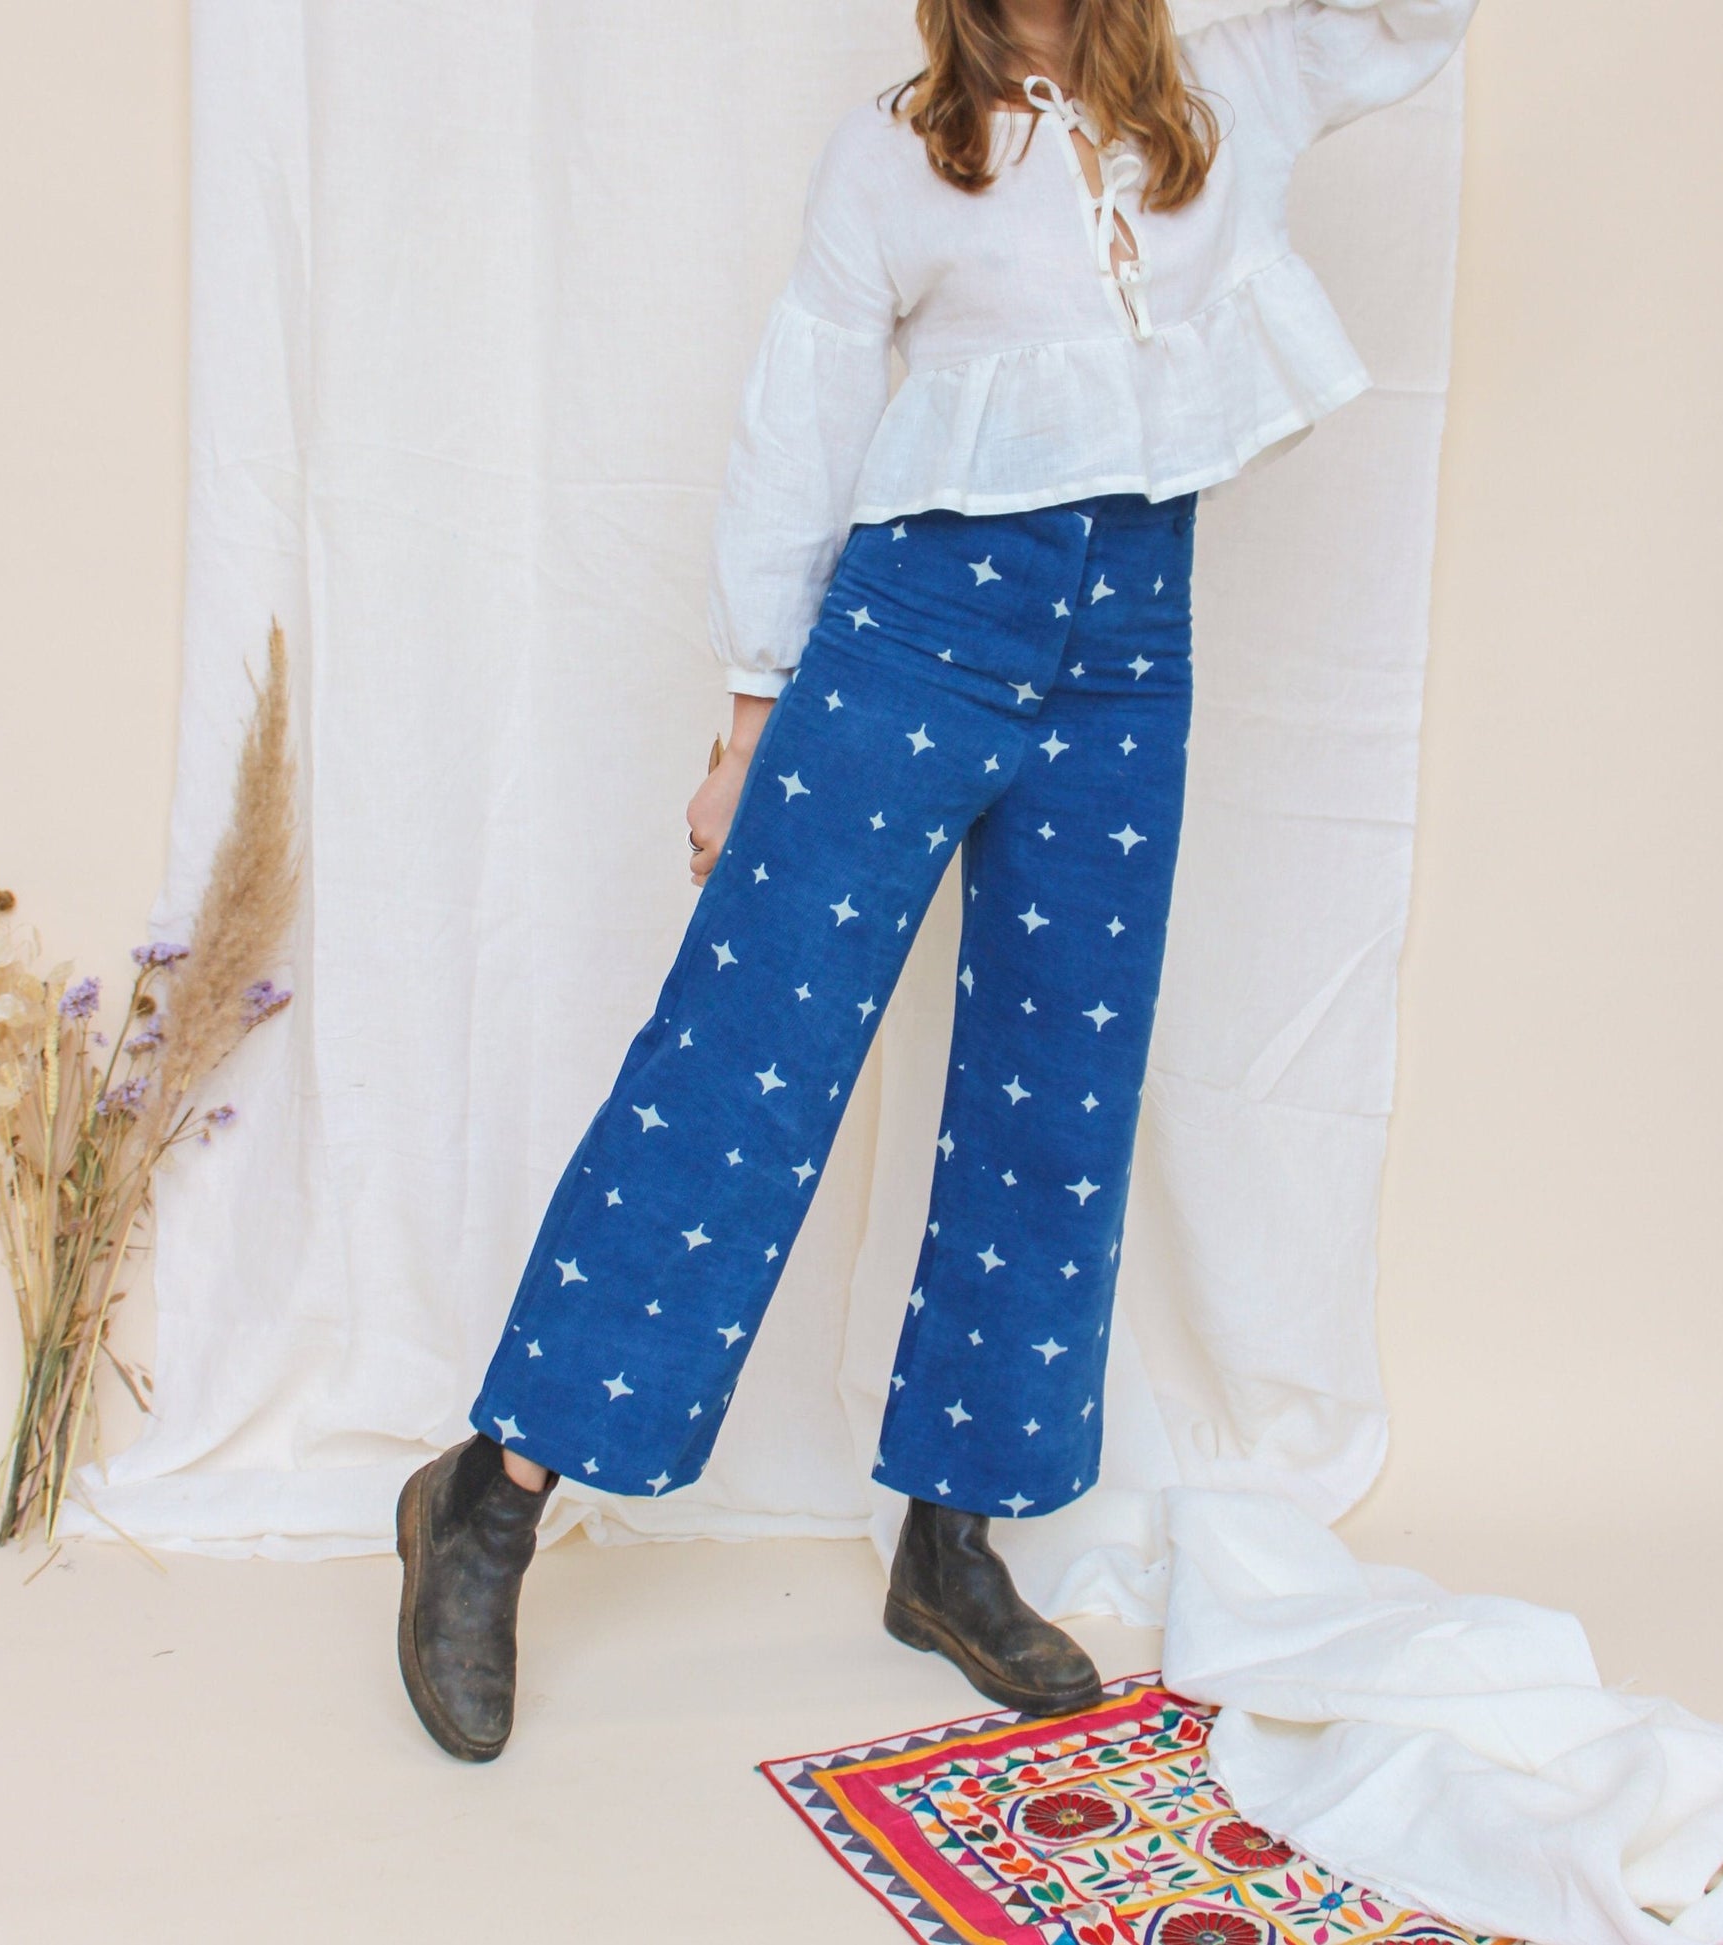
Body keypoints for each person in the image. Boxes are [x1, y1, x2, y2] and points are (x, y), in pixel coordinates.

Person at [394, 0, 1478, 1763]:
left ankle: (950, 1544)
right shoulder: (895, 154)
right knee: (742, 1068)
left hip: (1128, 652)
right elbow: (801, 412)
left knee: (1056, 1103)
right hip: (912, 633)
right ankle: (490, 1497)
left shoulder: (1236, 85)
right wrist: (752, 710)